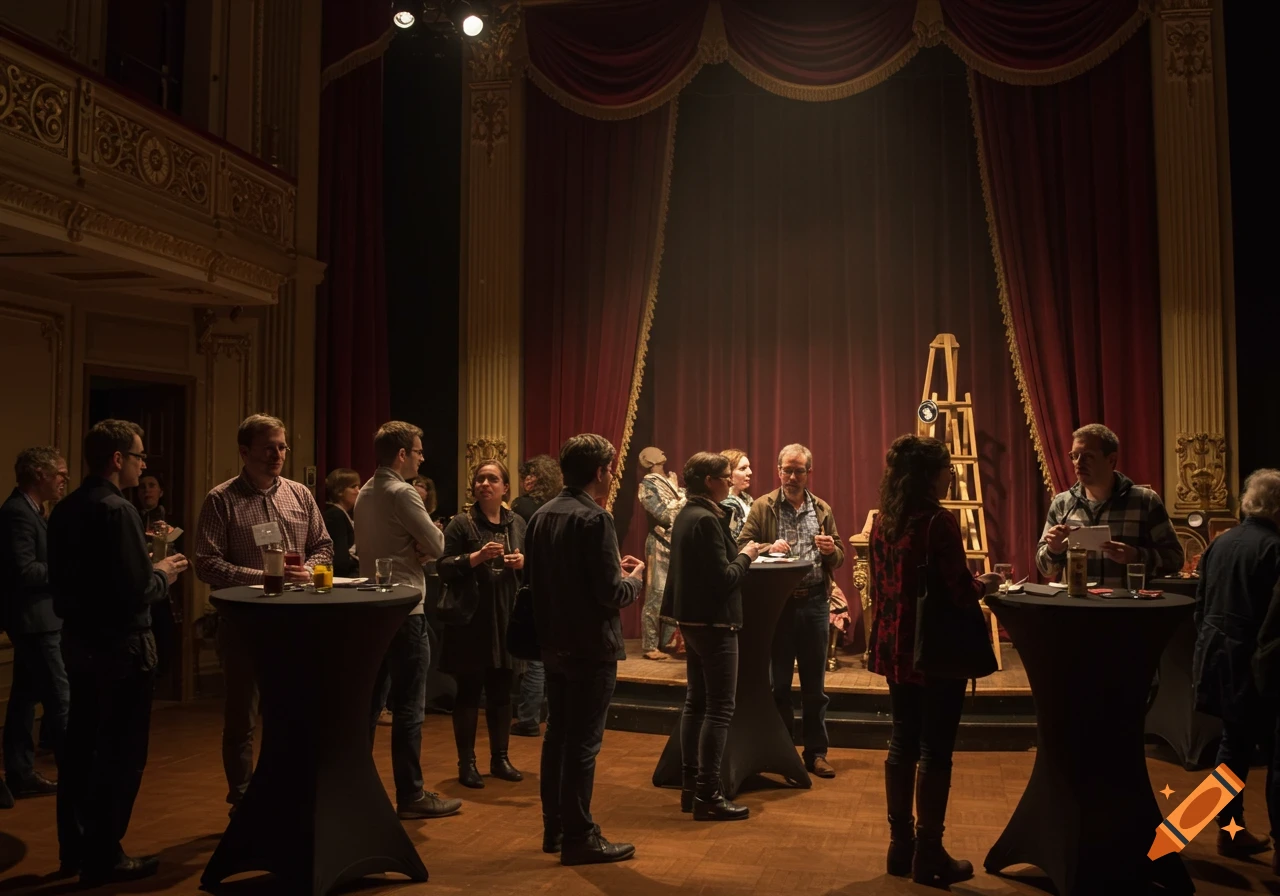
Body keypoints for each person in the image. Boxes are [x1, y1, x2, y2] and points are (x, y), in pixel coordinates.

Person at [48, 419, 189, 884]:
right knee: (121, 752)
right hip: (122, 648)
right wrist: (164, 568)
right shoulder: (119, 510)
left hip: (77, 643)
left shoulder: (65, 508)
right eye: (138, 456)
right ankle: (106, 854)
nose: (142, 463)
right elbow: (134, 590)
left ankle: (76, 849)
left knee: (81, 748)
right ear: (117, 460)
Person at [868, 434, 1002, 886]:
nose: (951, 474)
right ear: (930, 474)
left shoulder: (883, 520)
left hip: (895, 647)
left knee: (902, 740)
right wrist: (988, 584)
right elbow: (960, 592)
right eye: (947, 468)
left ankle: (899, 847)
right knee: (935, 749)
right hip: (935, 651)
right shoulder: (938, 522)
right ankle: (929, 854)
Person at [194, 414, 334, 815]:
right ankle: (243, 798)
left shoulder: (300, 494)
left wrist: (308, 569)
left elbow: (324, 545)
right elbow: (205, 563)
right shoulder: (221, 499)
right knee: (242, 717)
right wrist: (265, 576)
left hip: (297, 623)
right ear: (244, 451)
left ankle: (285, 789)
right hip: (244, 625)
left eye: (282, 446)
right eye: (269, 446)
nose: (278, 454)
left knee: (291, 711)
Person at [525, 433, 645, 865]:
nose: (611, 475)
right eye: (609, 468)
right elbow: (610, 592)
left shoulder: (541, 514)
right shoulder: (595, 519)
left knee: (557, 736)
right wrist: (636, 579)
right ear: (599, 472)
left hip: (553, 645)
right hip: (591, 648)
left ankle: (554, 829)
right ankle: (580, 838)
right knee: (583, 745)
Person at [355, 421, 460, 819]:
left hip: (371, 610)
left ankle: (357, 785)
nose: (421, 457)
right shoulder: (403, 492)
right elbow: (438, 544)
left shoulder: (365, 491)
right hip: (406, 609)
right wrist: (427, 538)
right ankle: (411, 795)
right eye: (417, 451)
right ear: (401, 455)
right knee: (409, 708)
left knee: (369, 704)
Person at [661, 452, 761, 821]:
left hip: (693, 621)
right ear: (709, 481)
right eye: (724, 476)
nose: (729, 481)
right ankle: (708, 795)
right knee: (719, 709)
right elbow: (724, 579)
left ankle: (691, 789)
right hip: (715, 624)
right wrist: (748, 555)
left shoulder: (688, 515)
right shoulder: (707, 519)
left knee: (696, 704)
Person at [737, 443, 844, 779]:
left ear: (809, 473)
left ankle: (816, 754)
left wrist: (830, 550)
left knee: (815, 688)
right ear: (778, 470)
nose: (793, 477)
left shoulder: (822, 509)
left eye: (799, 471)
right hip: (777, 606)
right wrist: (769, 546)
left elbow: (840, 554)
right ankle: (784, 752)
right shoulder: (762, 506)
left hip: (814, 603)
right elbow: (742, 546)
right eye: (787, 470)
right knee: (778, 685)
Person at [1192, 468, 1280, 858]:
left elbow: (1202, 605)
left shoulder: (1221, 543)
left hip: (1219, 659)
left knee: (1232, 747)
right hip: (1261, 666)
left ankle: (1228, 831)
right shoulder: (1276, 548)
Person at [437, 461, 526, 788]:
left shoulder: (517, 523)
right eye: (480, 479)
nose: (485, 484)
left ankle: (500, 759)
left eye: (493, 479)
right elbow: (442, 566)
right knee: (469, 693)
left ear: (505, 488)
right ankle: (467, 764)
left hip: (505, 616)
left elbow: (531, 567)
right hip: (471, 619)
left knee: (502, 693)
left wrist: (522, 562)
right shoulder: (461, 524)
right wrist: (475, 558)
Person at [1, 447, 69, 801]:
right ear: (39, 474)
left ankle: (19, 772)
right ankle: (78, 773)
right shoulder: (17, 514)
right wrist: (67, 566)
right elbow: (25, 570)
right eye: (59, 472)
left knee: (24, 699)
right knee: (60, 698)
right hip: (35, 621)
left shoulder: (32, 511)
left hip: (38, 618)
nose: (64, 479)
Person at [1036, 423, 1183, 585]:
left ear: (1111, 460)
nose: (1079, 462)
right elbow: (1045, 569)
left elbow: (1175, 559)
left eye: (1088, 456)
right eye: (1075, 455)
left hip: (1126, 607)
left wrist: (1135, 556)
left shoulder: (1144, 501)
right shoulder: (1062, 503)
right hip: (1077, 607)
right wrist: (1054, 549)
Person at [510, 455, 561, 737]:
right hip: (556, 586)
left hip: (531, 581)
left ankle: (528, 718)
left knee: (534, 659)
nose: (525, 481)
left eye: (530, 476)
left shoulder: (523, 506)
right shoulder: (557, 506)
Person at [637, 447, 685, 661]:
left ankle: (668, 641)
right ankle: (649, 645)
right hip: (659, 542)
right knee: (656, 593)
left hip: (675, 543)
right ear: (647, 460)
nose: (662, 451)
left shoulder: (670, 480)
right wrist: (680, 495)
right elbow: (663, 515)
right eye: (655, 451)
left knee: (672, 593)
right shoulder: (648, 484)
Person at [323, 467, 361, 577]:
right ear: (339, 491)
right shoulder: (335, 515)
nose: (358, 491)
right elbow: (340, 558)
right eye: (353, 487)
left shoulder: (341, 513)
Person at [719, 449, 754, 540]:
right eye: (743, 468)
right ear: (728, 473)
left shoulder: (747, 498)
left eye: (749, 467)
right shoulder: (725, 503)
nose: (750, 472)